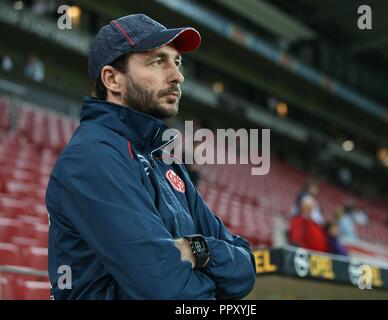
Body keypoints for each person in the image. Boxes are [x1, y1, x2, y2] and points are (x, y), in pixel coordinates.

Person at [45, 14, 256, 300]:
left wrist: (199, 249)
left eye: (177, 62)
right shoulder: (91, 158)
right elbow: (166, 291)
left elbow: (246, 269)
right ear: (112, 79)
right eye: (158, 62)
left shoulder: (165, 159)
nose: (177, 76)